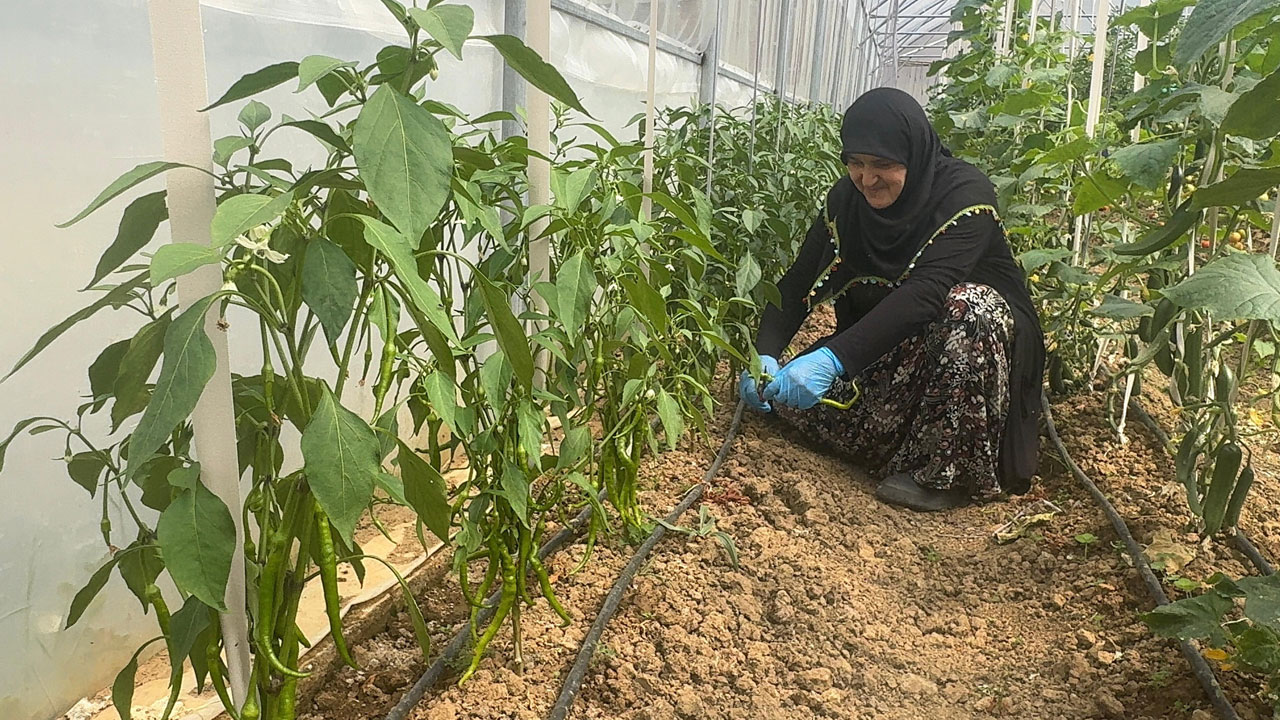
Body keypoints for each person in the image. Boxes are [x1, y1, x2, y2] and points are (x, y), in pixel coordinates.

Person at [738, 88, 1045, 512]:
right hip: (894, 346)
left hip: (969, 360)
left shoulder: (964, 194)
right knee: (785, 402)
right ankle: (901, 445)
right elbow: (796, 285)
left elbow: (925, 294)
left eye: (882, 164)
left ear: (913, 155)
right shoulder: (846, 201)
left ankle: (945, 473)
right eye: (856, 163)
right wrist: (764, 355)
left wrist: (831, 359)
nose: (867, 179)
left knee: (967, 308)